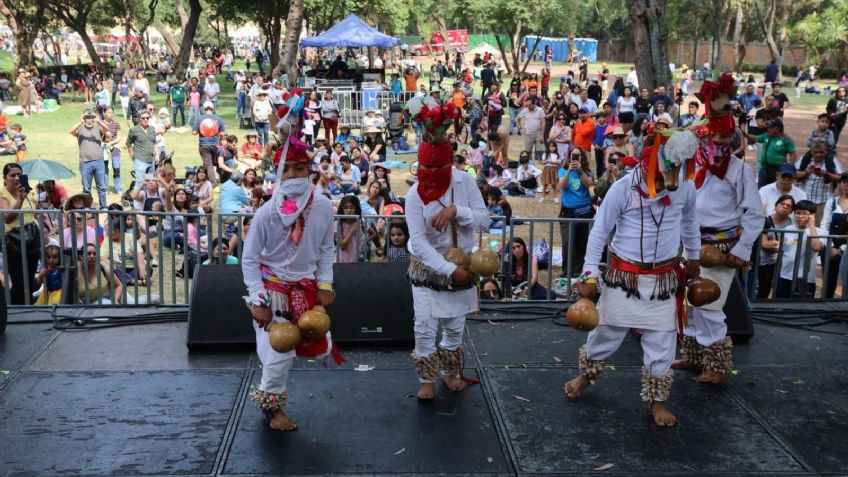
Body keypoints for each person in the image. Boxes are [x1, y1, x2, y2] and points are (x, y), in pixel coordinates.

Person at [564, 128, 700, 428]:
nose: (671, 183)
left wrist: (694, 256)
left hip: (664, 280)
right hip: (624, 278)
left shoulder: (686, 188)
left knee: (663, 344)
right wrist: (589, 274)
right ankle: (586, 377)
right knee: (604, 334)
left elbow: (690, 223)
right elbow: (599, 231)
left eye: (676, 174)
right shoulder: (623, 188)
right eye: (666, 176)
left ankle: (657, 401)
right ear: (651, 167)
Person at [242, 134, 341, 431]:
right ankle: (272, 412)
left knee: (313, 345)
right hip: (272, 290)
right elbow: (249, 259)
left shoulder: (323, 206)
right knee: (278, 352)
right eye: (286, 169)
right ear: (277, 172)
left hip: (306, 288)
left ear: (309, 171)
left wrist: (325, 284)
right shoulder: (266, 212)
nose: (293, 175)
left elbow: (326, 249)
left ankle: (272, 402)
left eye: (299, 168)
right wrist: (258, 301)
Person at [674, 74, 764, 385]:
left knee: (709, 303)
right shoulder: (692, 166)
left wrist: (741, 250)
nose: (722, 143)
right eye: (716, 138)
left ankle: (718, 364)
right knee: (690, 302)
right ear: (704, 138)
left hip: (721, 248)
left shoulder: (741, 170)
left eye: (727, 139)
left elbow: (754, 214)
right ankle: (695, 355)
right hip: (692, 243)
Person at [406, 118, 490, 401]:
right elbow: (418, 242)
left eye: (436, 168)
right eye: (425, 168)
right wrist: (447, 269)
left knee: (455, 325)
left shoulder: (465, 182)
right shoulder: (413, 196)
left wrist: (457, 211)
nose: (430, 173)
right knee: (425, 325)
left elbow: (485, 220)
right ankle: (426, 378)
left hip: (463, 266)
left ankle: (450, 372)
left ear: (449, 164)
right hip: (429, 268)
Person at [0, 163, 39, 304]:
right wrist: (20, 199)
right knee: (17, 280)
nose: (17, 178)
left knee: (29, 278)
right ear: (4, 178)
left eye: (19, 174)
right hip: (13, 242)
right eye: (12, 175)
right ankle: (18, 309)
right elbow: (7, 217)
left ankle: (29, 307)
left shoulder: (27, 191)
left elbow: (33, 214)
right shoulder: (2, 194)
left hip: (32, 239)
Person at [557, 146, 595, 277]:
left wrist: (580, 171)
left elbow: (589, 184)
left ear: (582, 157)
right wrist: (569, 170)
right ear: (569, 157)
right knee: (568, 244)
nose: (575, 158)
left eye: (578, 155)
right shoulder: (562, 170)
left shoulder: (587, 171)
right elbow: (562, 186)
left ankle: (579, 273)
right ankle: (567, 273)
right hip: (568, 212)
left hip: (584, 211)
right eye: (573, 155)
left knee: (582, 243)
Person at [775, 200, 823, 298]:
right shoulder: (787, 229)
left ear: (812, 215)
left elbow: (816, 247)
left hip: (805, 279)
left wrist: (812, 226)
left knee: (802, 308)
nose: (800, 216)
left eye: (805, 214)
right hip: (785, 276)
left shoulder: (819, 232)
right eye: (797, 213)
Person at [757, 194, 795, 299]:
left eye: (789, 206)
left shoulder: (794, 223)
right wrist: (786, 244)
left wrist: (775, 244)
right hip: (767, 262)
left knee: (781, 290)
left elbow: (796, 243)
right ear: (776, 205)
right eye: (783, 204)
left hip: (787, 263)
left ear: (792, 210)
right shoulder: (765, 220)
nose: (785, 207)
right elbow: (764, 244)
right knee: (764, 289)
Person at [70, 110, 108, 209]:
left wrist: (98, 120)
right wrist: (81, 121)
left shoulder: (98, 128)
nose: (89, 120)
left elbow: (106, 129)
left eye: (91, 117)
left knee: (102, 187)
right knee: (86, 188)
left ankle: (103, 206)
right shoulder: (81, 129)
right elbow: (71, 131)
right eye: (87, 117)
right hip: (85, 162)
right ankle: (87, 207)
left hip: (98, 161)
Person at [743, 119, 797, 188]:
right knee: (761, 189)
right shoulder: (766, 135)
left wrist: (789, 167)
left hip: (777, 170)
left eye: (770, 127)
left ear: (777, 129)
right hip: (764, 168)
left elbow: (793, 153)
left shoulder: (786, 140)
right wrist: (745, 134)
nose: (767, 129)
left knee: (776, 189)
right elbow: (755, 138)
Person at [820, 174, 848, 298]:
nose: (847, 185)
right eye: (844, 182)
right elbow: (824, 226)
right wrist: (830, 247)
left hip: (847, 249)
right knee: (828, 283)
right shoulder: (831, 202)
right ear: (840, 183)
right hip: (829, 246)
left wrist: (841, 249)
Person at [193, 101, 226, 185]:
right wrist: (215, 132)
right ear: (212, 108)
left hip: (204, 145)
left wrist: (202, 130)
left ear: (204, 109)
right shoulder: (219, 119)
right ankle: (205, 181)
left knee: (209, 165)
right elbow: (223, 133)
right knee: (215, 163)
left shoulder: (199, 119)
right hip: (215, 145)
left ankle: (214, 184)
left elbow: (194, 132)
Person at [126, 108, 159, 190]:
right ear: (139, 119)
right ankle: (137, 201)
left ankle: (148, 200)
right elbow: (128, 144)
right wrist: (133, 157)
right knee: (140, 183)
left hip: (151, 160)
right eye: (143, 118)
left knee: (151, 183)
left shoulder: (152, 129)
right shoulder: (133, 130)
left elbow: (154, 143)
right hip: (140, 160)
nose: (145, 120)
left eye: (147, 118)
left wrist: (157, 154)